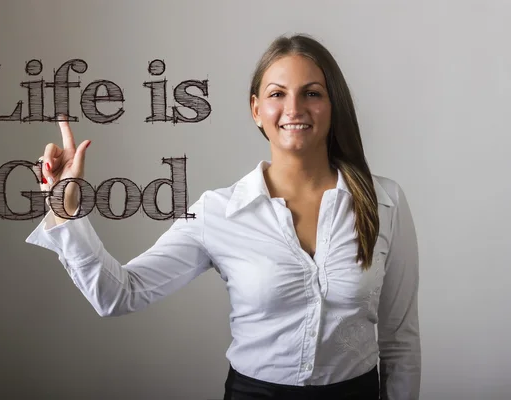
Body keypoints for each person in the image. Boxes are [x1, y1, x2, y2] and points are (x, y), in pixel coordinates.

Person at [26, 33, 421, 400]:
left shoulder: (384, 202)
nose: (294, 109)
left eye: (312, 93)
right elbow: (119, 294)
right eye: (277, 94)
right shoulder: (218, 212)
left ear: (333, 105)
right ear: (256, 109)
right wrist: (66, 207)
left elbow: (399, 340)